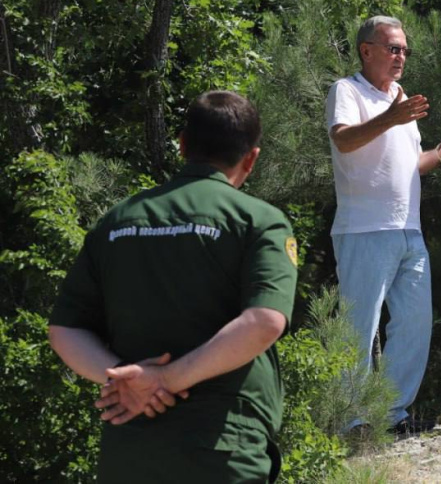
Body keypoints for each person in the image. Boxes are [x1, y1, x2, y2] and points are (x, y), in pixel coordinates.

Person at [49, 90, 298, 483]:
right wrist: (166, 380)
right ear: (251, 157)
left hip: (129, 448)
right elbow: (265, 320)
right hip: (223, 445)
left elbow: (65, 328)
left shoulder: (116, 220)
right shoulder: (259, 220)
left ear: (182, 145)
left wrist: (123, 378)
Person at [326, 15, 441, 434]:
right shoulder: (348, 90)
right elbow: (343, 139)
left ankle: (390, 416)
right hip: (364, 230)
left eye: (405, 50)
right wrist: (391, 118)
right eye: (393, 48)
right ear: (366, 50)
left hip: (409, 230)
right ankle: (351, 421)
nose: (401, 57)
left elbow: (411, 165)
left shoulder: (400, 98)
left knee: (414, 325)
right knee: (358, 330)